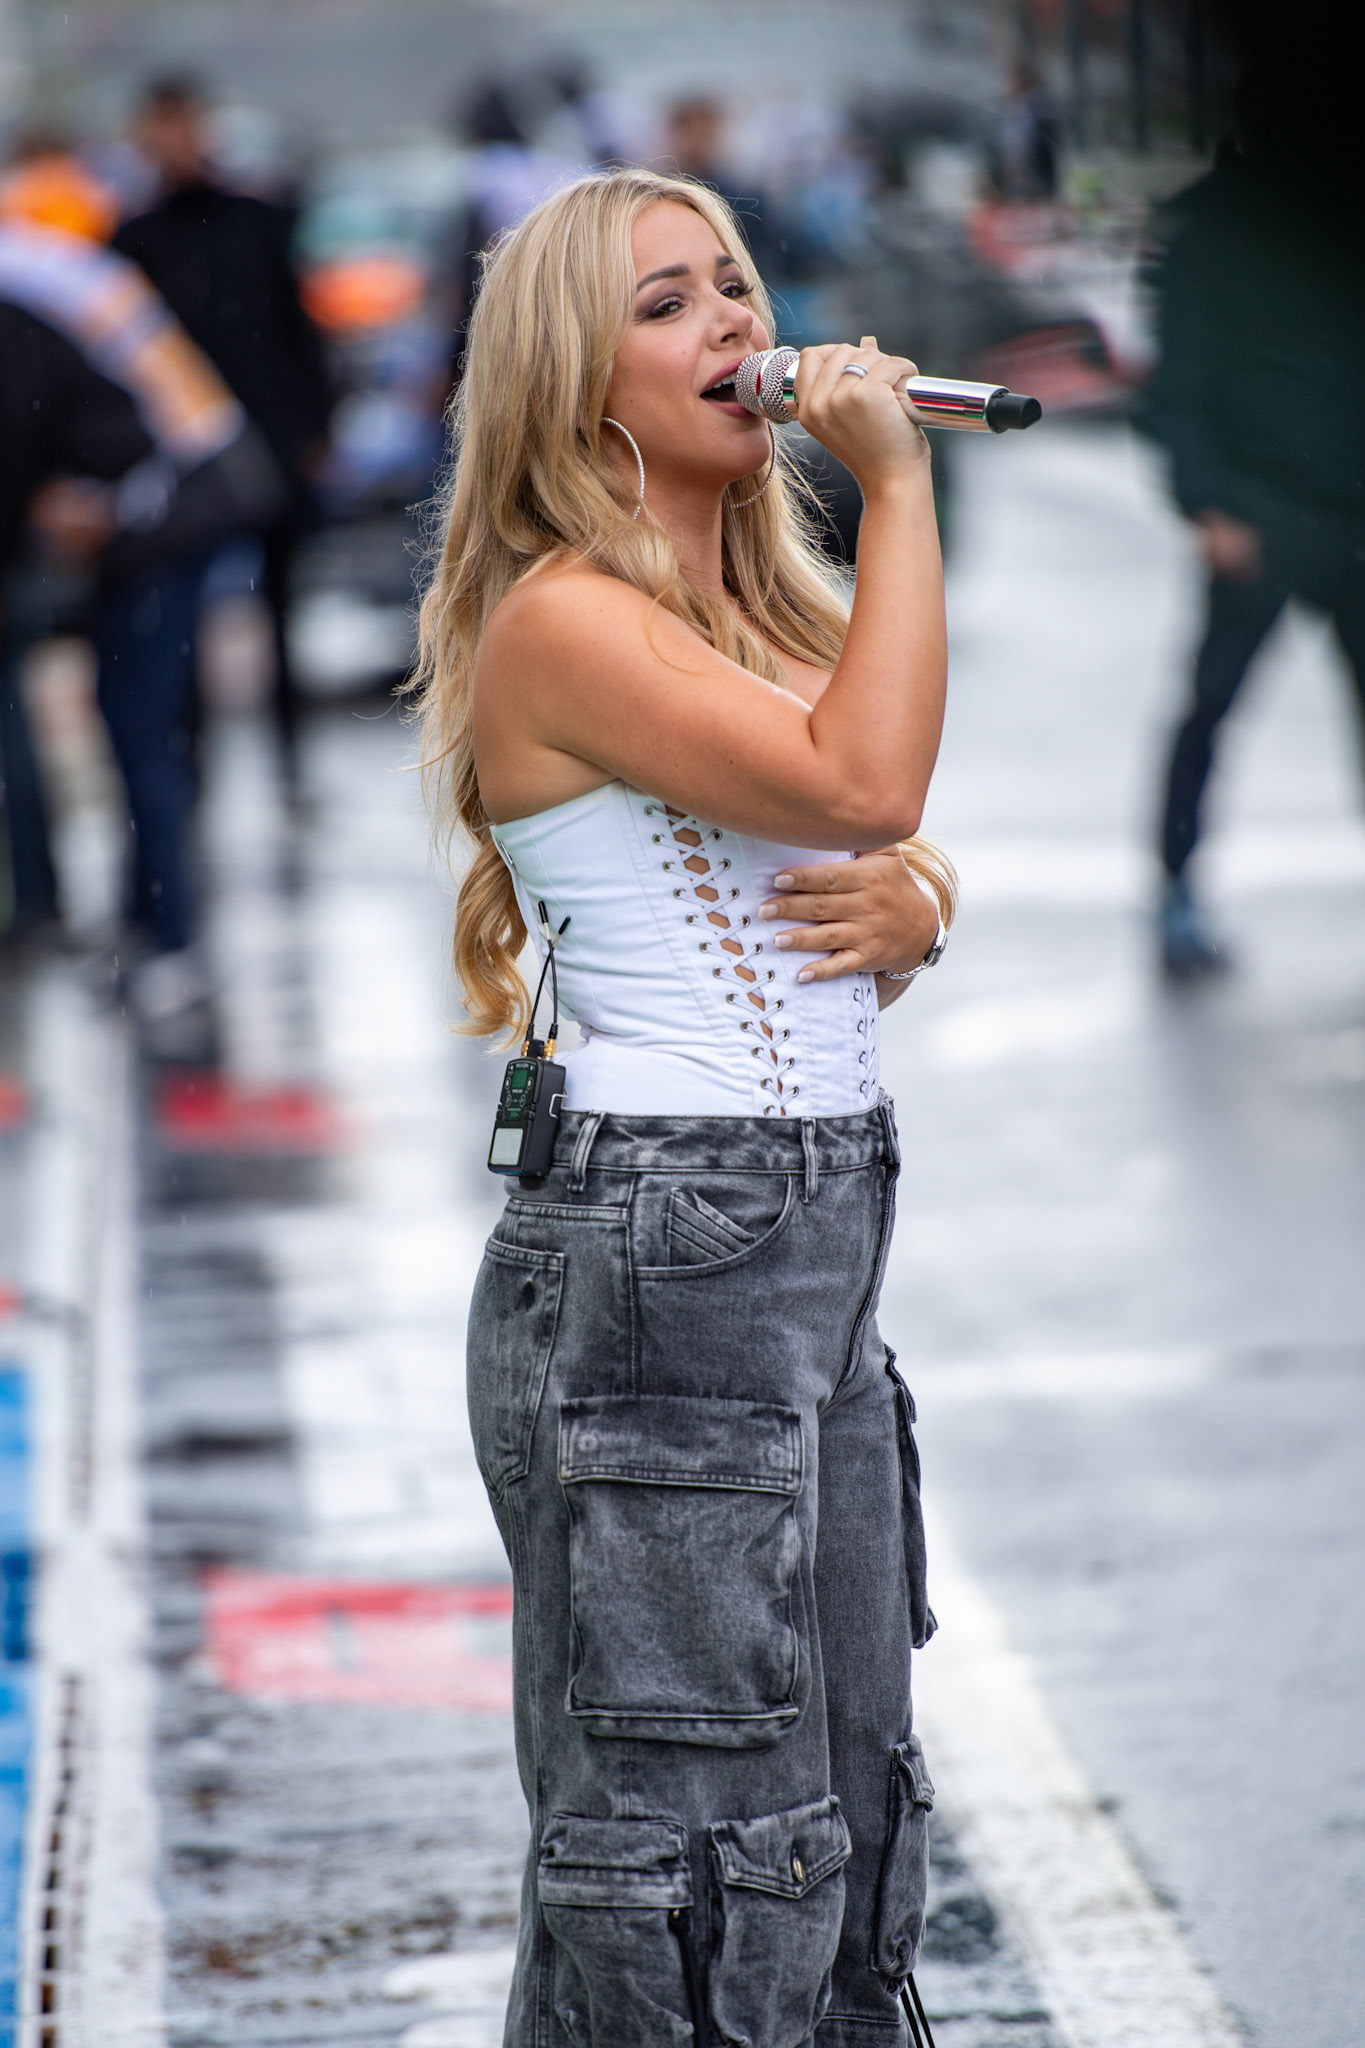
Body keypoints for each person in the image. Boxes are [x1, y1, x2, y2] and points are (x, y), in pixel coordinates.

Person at [414, 169, 953, 2044]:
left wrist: (929, 907)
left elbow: (860, 859)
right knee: (699, 1837)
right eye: (669, 304)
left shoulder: (749, 608)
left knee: (843, 1796)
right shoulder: (567, 620)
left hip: (804, 1229)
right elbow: (865, 778)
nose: (735, 323)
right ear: (576, 388)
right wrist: (895, 481)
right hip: (667, 1244)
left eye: (735, 282)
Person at [1140, 64, 1365, 977]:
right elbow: (1174, 383)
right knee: (1210, 711)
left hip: (1351, 512)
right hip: (1256, 511)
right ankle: (1176, 892)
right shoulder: (1216, 226)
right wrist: (1208, 503)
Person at [112, 74, 333, 791]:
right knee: (184, 623)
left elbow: (299, 328)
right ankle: (192, 775)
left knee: (280, 613)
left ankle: (290, 766)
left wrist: (314, 428)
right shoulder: (136, 236)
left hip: (267, 441)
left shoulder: (254, 218)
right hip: (189, 458)